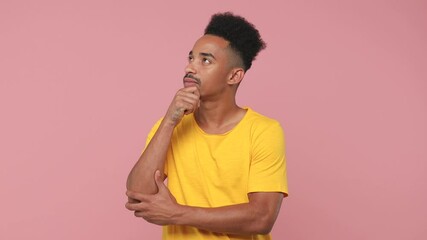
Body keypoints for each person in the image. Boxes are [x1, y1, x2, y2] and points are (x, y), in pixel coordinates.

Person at [125, 12, 288, 240]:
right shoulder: (169, 126)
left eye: (206, 60)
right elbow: (137, 195)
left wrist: (177, 214)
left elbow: (262, 217)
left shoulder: (263, 131)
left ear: (234, 76)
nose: (190, 68)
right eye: (191, 58)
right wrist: (170, 120)